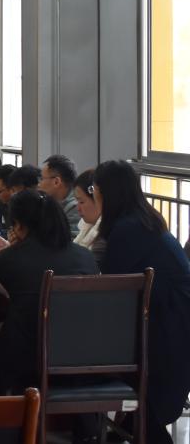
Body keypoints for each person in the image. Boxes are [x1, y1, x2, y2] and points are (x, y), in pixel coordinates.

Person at [95, 160, 190, 444]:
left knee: (105, 355)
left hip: (168, 319)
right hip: (171, 311)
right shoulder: (143, 218)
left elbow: (112, 285)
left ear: (105, 192)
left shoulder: (128, 228)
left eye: (94, 190)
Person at [0, 190, 98, 397]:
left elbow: (3, 290)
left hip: (28, 359)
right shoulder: (86, 257)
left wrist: (14, 248)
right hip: (83, 355)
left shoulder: (8, 259)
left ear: (18, 225)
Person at [39, 154, 81, 237]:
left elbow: (70, 241)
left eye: (42, 179)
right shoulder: (49, 203)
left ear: (56, 182)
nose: (39, 184)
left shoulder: (76, 207)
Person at [71, 169, 104, 263]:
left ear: (97, 198)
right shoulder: (86, 227)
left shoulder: (106, 235)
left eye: (81, 202)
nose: (78, 208)